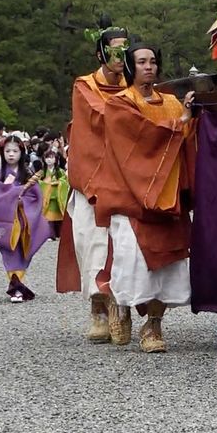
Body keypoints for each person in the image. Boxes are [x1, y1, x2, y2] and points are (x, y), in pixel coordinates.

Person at [92, 44, 195, 353]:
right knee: (131, 261)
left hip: (168, 197)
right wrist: (180, 124)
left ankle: (153, 325)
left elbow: (185, 140)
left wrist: (190, 118)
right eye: (141, 62)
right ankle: (119, 304)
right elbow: (139, 138)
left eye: (152, 61)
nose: (149, 67)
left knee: (167, 264)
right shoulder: (119, 103)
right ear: (130, 66)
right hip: (131, 198)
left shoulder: (174, 103)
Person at [57, 22, 129, 343]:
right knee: (94, 243)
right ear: (101, 53)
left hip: (124, 177)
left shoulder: (134, 85)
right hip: (92, 178)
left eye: (125, 50)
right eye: (114, 50)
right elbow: (99, 118)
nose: (120, 56)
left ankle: (122, 308)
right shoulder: (84, 85)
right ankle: (98, 310)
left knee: (123, 245)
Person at [0, 136, 52, 303]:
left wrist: (20, 200)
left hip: (23, 219)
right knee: (8, 250)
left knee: (22, 251)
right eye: (7, 151)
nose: (11, 155)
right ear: (2, 152)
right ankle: (15, 286)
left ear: (22, 153)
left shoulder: (26, 174)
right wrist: (10, 195)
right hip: (6, 220)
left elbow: (36, 196)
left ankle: (17, 284)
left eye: (15, 151)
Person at [34, 147, 69, 240]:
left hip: (58, 198)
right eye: (47, 158)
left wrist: (58, 183)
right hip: (47, 199)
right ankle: (50, 235)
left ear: (55, 159)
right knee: (48, 218)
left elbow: (65, 181)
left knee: (59, 218)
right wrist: (45, 184)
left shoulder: (59, 171)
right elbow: (36, 181)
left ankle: (60, 234)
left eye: (52, 157)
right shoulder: (42, 172)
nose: (49, 160)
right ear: (44, 160)